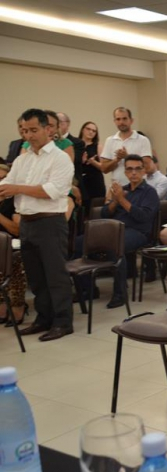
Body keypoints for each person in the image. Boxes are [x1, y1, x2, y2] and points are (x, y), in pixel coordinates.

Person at [0, 108, 74, 341]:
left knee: (55, 275)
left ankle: (63, 322)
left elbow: (53, 191)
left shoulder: (60, 158)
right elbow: (8, 182)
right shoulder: (23, 159)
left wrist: (17, 189)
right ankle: (44, 318)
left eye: (33, 130)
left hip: (50, 222)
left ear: (48, 129)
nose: (28, 135)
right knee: (36, 277)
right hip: (27, 223)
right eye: (24, 131)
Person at [76, 154, 159, 309]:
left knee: (115, 245)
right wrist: (115, 200)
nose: (133, 173)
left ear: (143, 171)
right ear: (125, 172)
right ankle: (88, 289)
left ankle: (120, 293)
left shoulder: (149, 192)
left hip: (138, 232)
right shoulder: (122, 190)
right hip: (113, 229)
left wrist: (121, 200)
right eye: (130, 169)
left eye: (137, 169)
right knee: (80, 242)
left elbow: (143, 217)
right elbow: (105, 213)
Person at [0, 164, 28, 326]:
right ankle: (2, 303)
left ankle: (18, 305)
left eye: (3, 179)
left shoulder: (15, 202)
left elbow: (17, 230)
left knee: (14, 261)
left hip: (15, 244)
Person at [100, 107, 152, 185]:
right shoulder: (110, 140)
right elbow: (104, 169)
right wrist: (117, 159)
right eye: (118, 119)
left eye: (124, 119)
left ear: (131, 120)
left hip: (138, 188)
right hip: (117, 188)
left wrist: (127, 157)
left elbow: (147, 167)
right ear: (114, 121)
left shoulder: (143, 140)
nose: (121, 122)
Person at [78, 121, 106, 207]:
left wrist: (93, 162)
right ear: (83, 130)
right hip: (80, 182)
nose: (91, 132)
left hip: (95, 182)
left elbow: (104, 167)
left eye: (94, 131)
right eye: (88, 129)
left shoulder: (98, 146)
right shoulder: (76, 145)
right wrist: (81, 161)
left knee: (95, 209)